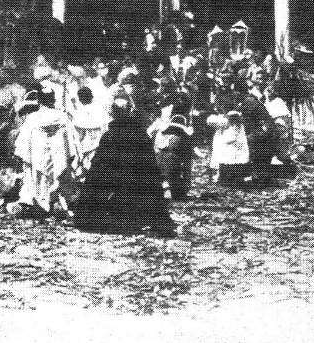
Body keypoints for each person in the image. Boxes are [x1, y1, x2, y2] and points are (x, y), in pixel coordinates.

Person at [75, 97, 175, 236]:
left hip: (115, 183)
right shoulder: (141, 135)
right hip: (136, 185)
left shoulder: (109, 136)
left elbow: (99, 165)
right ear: (129, 112)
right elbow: (150, 165)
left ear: (114, 114)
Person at [11, 87, 81, 218]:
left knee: (37, 179)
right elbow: (72, 140)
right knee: (61, 179)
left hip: (37, 158)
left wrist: (22, 156)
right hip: (59, 158)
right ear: (53, 100)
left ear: (39, 101)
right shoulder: (61, 116)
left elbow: (22, 142)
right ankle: (57, 203)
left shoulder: (33, 118)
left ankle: (39, 204)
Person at [149, 102, 195, 201]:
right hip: (167, 158)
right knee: (172, 174)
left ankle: (174, 191)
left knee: (172, 174)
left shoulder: (168, 132)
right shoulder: (173, 134)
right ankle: (174, 192)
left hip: (165, 157)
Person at [207, 108, 249, 186]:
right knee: (224, 160)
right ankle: (223, 177)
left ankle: (232, 178)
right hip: (228, 151)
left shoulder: (237, 126)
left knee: (233, 161)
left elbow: (232, 138)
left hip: (236, 151)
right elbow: (210, 122)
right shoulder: (223, 122)